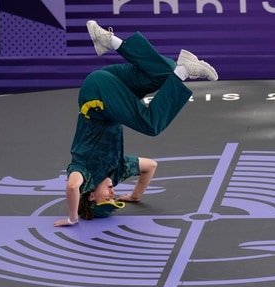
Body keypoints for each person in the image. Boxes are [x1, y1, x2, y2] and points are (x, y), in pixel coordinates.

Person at [54, 20, 218, 227]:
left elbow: (71, 187)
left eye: (108, 197)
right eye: (114, 198)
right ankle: (110, 41)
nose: (113, 193)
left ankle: (185, 71)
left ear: (91, 197)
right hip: (108, 89)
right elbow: (150, 166)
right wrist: (135, 196)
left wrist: (72, 218)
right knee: (165, 73)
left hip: (96, 98)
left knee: (151, 124)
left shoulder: (84, 173)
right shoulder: (118, 170)